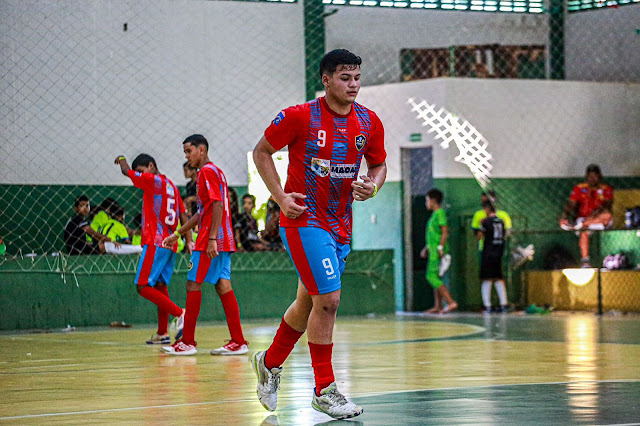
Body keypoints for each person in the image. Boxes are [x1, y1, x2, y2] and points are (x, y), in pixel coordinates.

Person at [250, 49, 386, 420]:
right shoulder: (299, 116)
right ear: (326, 80)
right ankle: (325, 390)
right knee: (329, 300)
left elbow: (379, 164)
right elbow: (261, 152)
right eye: (345, 78)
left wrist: (373, 185)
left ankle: (268, 362)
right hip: (304, 221)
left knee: (308, 304)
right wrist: (280, 198)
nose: (353, 85)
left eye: (357, 78)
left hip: (341, 225)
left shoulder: (369, 122)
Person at [161, 134, 248, 356]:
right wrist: (178, 233)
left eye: (189, 151)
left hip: (211, 239)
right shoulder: (215, 171)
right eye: (185, 152)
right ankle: (238, 341)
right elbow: (203, 212)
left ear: (202, 150)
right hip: (223, 238)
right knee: (223, 286)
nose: (187, 156)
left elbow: (217, 204)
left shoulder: (207, 172)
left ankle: (187, 342)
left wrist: (211, 239)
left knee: (193, 284)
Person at [115, 153, 188, 345]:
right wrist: (188, 240)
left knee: (142, 286)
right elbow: (183, 214)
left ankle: (180, 313)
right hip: (171, 244)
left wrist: (121, 159)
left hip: (156, 242)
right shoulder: (172, 186)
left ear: (151, 166)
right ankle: (162, 333)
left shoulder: (152, 181)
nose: (140, 175)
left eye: (141, 170)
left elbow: (126, 171)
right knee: (160, 287)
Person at [559, 164, 613, 267]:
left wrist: (594, 215)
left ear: (600, 176)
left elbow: (607, 205)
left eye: (595, 176)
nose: (592, 179)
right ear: (586, 177)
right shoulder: (579, 188)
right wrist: (564, 216)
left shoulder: (606, 189)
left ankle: (581, 225)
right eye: (589, 176)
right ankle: (585, 261)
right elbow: (571, 204)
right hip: (583, 218)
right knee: (584, 230)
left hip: (598, 219)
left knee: (607, 215)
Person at [420, 188, 458, 315]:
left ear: (433, 200)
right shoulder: (434, 215)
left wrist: (440, 247)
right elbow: (433, 235)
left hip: (437, 251)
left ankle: (450, 302)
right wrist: (426, 248)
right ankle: (438, 305)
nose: (426, 203)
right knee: (435, 277)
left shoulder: (440, 213)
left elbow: (444, 231)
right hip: (432, 250)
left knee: (431, 276)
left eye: (427, 200)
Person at [477, 200, 508, 314]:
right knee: (498, 278)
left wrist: (480, 225)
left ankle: (487, 306)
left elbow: (479, 236)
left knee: (487, 279)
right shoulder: (501, 221)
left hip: (488, 252)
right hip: (498, 252)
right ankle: (503, 304)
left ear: (487, 209)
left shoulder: (486, 222)